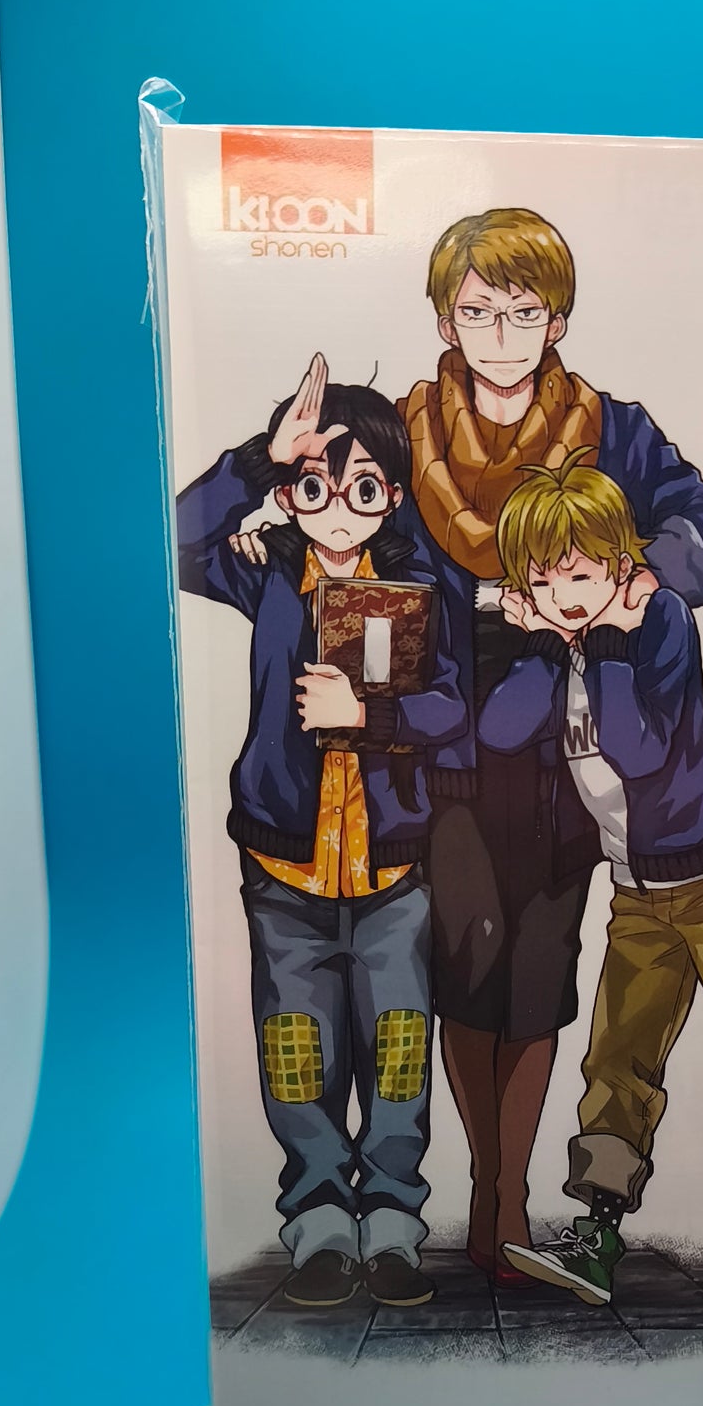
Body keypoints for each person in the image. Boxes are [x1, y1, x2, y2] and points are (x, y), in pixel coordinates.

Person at [395, 207, 703, 1282]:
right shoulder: (401, 431)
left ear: (556, 320)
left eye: (523, 312)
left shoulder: (613, 430)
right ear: (445, 321)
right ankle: (491, 1196)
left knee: (541, 976)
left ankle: (508, 1204)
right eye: (477, 313)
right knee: (466, 972)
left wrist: (640, 580)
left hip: (569, 762)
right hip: (453, 752)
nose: (500, 336)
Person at [175, 355, 465, 1310]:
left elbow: (454, 709)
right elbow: (173, 537)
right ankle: (319, 1221)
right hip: (285, 864)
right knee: (296, 1049)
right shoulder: (266, 571)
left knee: (399, 1046)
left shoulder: (423, 584)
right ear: (292, 494)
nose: (338, 509)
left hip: (392, 868)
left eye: (364, 489)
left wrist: (368, 716)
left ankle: (393, 1220)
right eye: (314, 486)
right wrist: (261, 459)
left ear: (393, 497)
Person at [479, 454, 703, 1305]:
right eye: (543, 581)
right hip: (637, 895)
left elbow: (641, 750)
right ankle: (597, 1231)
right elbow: (504, 729)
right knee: (618, 1062)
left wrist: (610, 645)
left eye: (581, 576)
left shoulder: (659, 623)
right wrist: (543, 646)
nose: (564, 596)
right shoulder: (560, 642)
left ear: (622, 566)